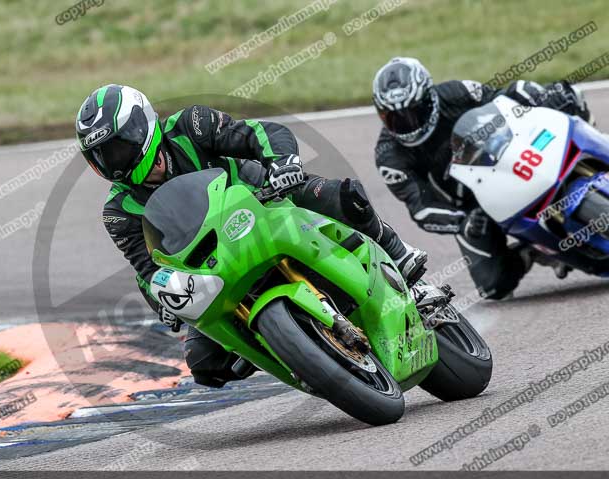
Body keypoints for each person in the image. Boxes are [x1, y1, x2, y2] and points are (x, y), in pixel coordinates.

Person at [77, 84, 428, 388]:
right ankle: (293, 350)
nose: (113, 162)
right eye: (101, 157)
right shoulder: (118, 211)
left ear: (141, 128)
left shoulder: (190, 124)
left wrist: (284, 163)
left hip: (265, 202)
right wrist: (164, 305)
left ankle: (399, 255)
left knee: (343, 197)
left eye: (117, 148)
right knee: (204, 363)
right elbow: (148, 270)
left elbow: (259, 134)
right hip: (212, 267)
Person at [372, 57, 593, 299]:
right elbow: (421, 208)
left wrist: (541, 97)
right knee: (493, 285)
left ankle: (593, 141)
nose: (407, 125)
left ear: (429, 98)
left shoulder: (457, 92)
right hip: (471, 206)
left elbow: (503, 99)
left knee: (561, 97)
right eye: (394, 118)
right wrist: (462, 221)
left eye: (413, 112)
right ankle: (533, 251)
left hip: (507, 157)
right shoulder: (389, 158)